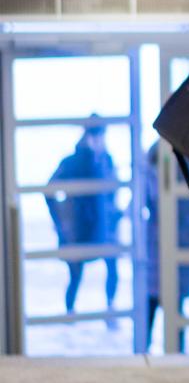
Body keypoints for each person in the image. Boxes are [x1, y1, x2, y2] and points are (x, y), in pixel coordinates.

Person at [144, 139, 189, 348]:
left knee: (154, 307)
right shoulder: (184, 169)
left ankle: (145, 354)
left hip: (160, 249)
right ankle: (172, 355)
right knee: (171, 309)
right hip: (175, 249)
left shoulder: (153, 163)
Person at [46, 116, 120, 316]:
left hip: (103, 227)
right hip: (79, 230)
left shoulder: (106, 160)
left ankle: (110, 309)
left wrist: (114, 216)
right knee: (75, 276)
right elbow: (49, 191)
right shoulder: (73, 162)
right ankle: (70, 314)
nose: (98, 140)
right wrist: (61, 221)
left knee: (111, 268)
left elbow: (113, 192)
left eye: (100, 135)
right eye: (94, 134)